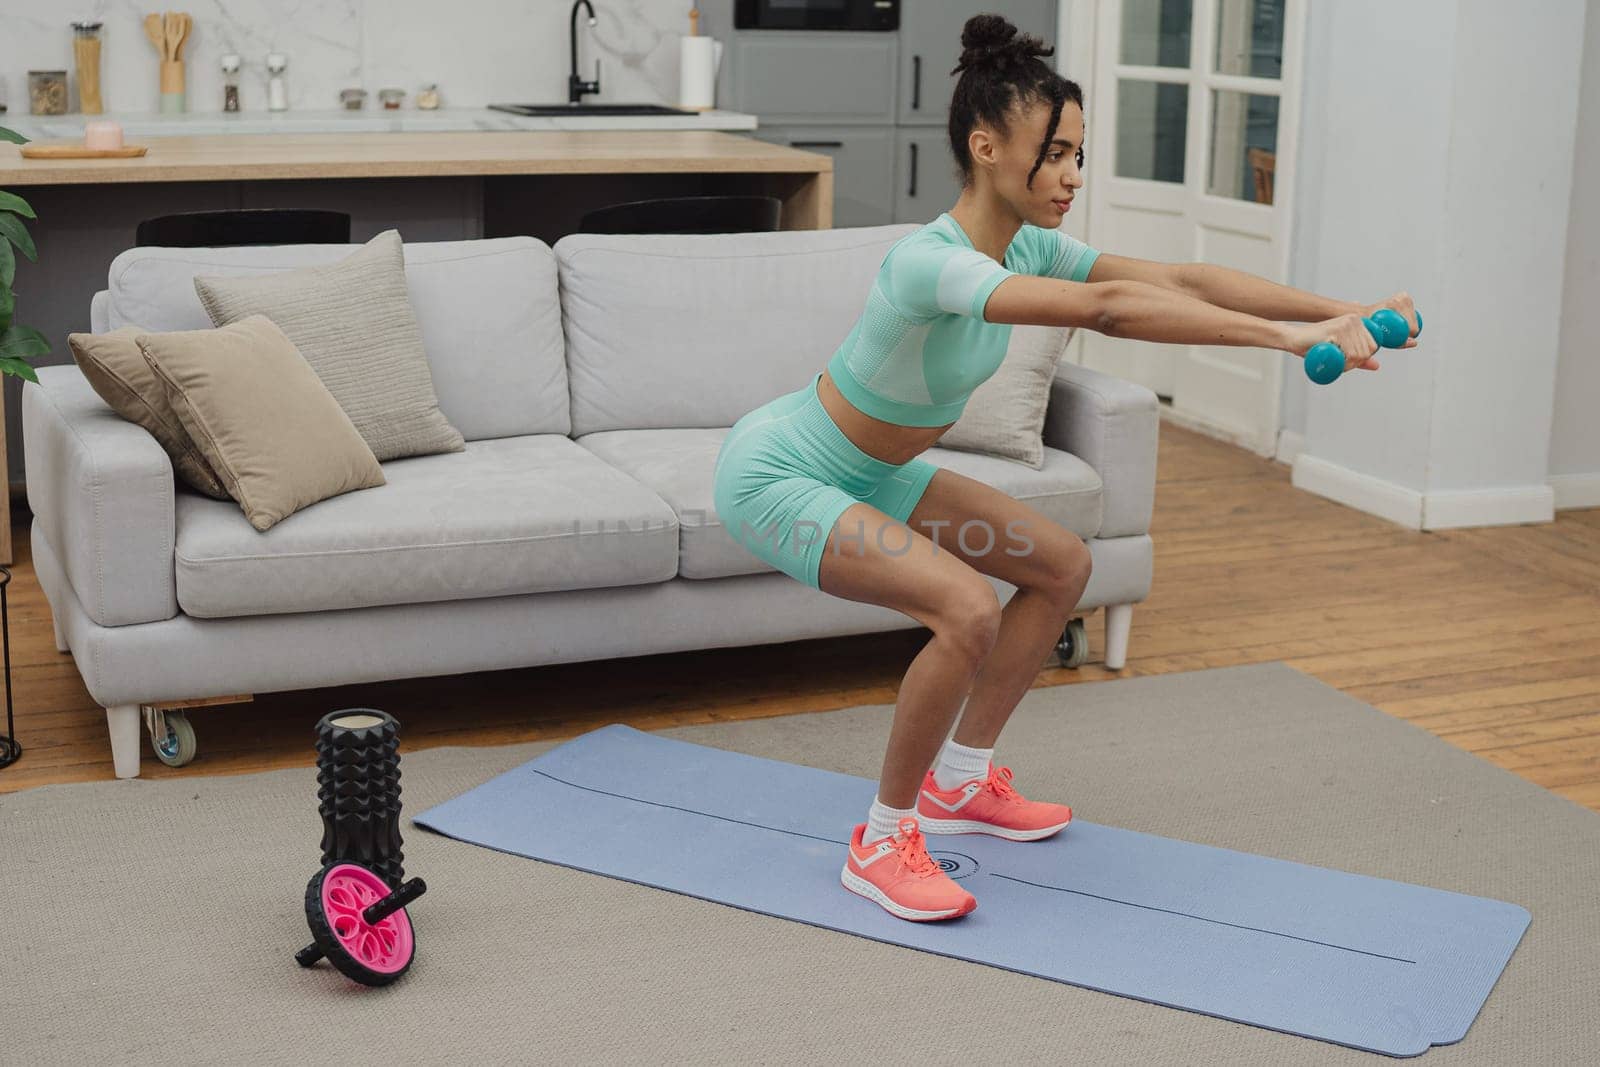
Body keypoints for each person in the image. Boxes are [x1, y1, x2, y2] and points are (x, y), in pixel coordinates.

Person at [711, 14, 1420, 924]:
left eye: (1079, 154)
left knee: (1061, 565)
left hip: (876, 475)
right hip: (784, 473)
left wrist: (1342, 309)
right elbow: (1112, 312)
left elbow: (1184, 282)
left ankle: (961, 781)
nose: (1074, 177)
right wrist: (1289, 339)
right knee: (964, 606)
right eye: (1057, 154)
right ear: (987, 147)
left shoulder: (1028, 246)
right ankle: (883, 838)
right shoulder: (931, 263)